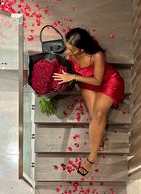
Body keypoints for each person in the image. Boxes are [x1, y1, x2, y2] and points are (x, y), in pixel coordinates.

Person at [53, 27, 125, 176]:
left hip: (105, 81)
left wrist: (73, 77)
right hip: (86, 83)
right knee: (95, 118)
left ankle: (92, 157)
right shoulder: (72, 52)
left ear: (82, 48)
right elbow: (66, 59)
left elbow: (98, 81)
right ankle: (99, 141)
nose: (68, 51)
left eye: (71, 49)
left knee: (99, 115)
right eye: (67, 46)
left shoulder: (97, 55)